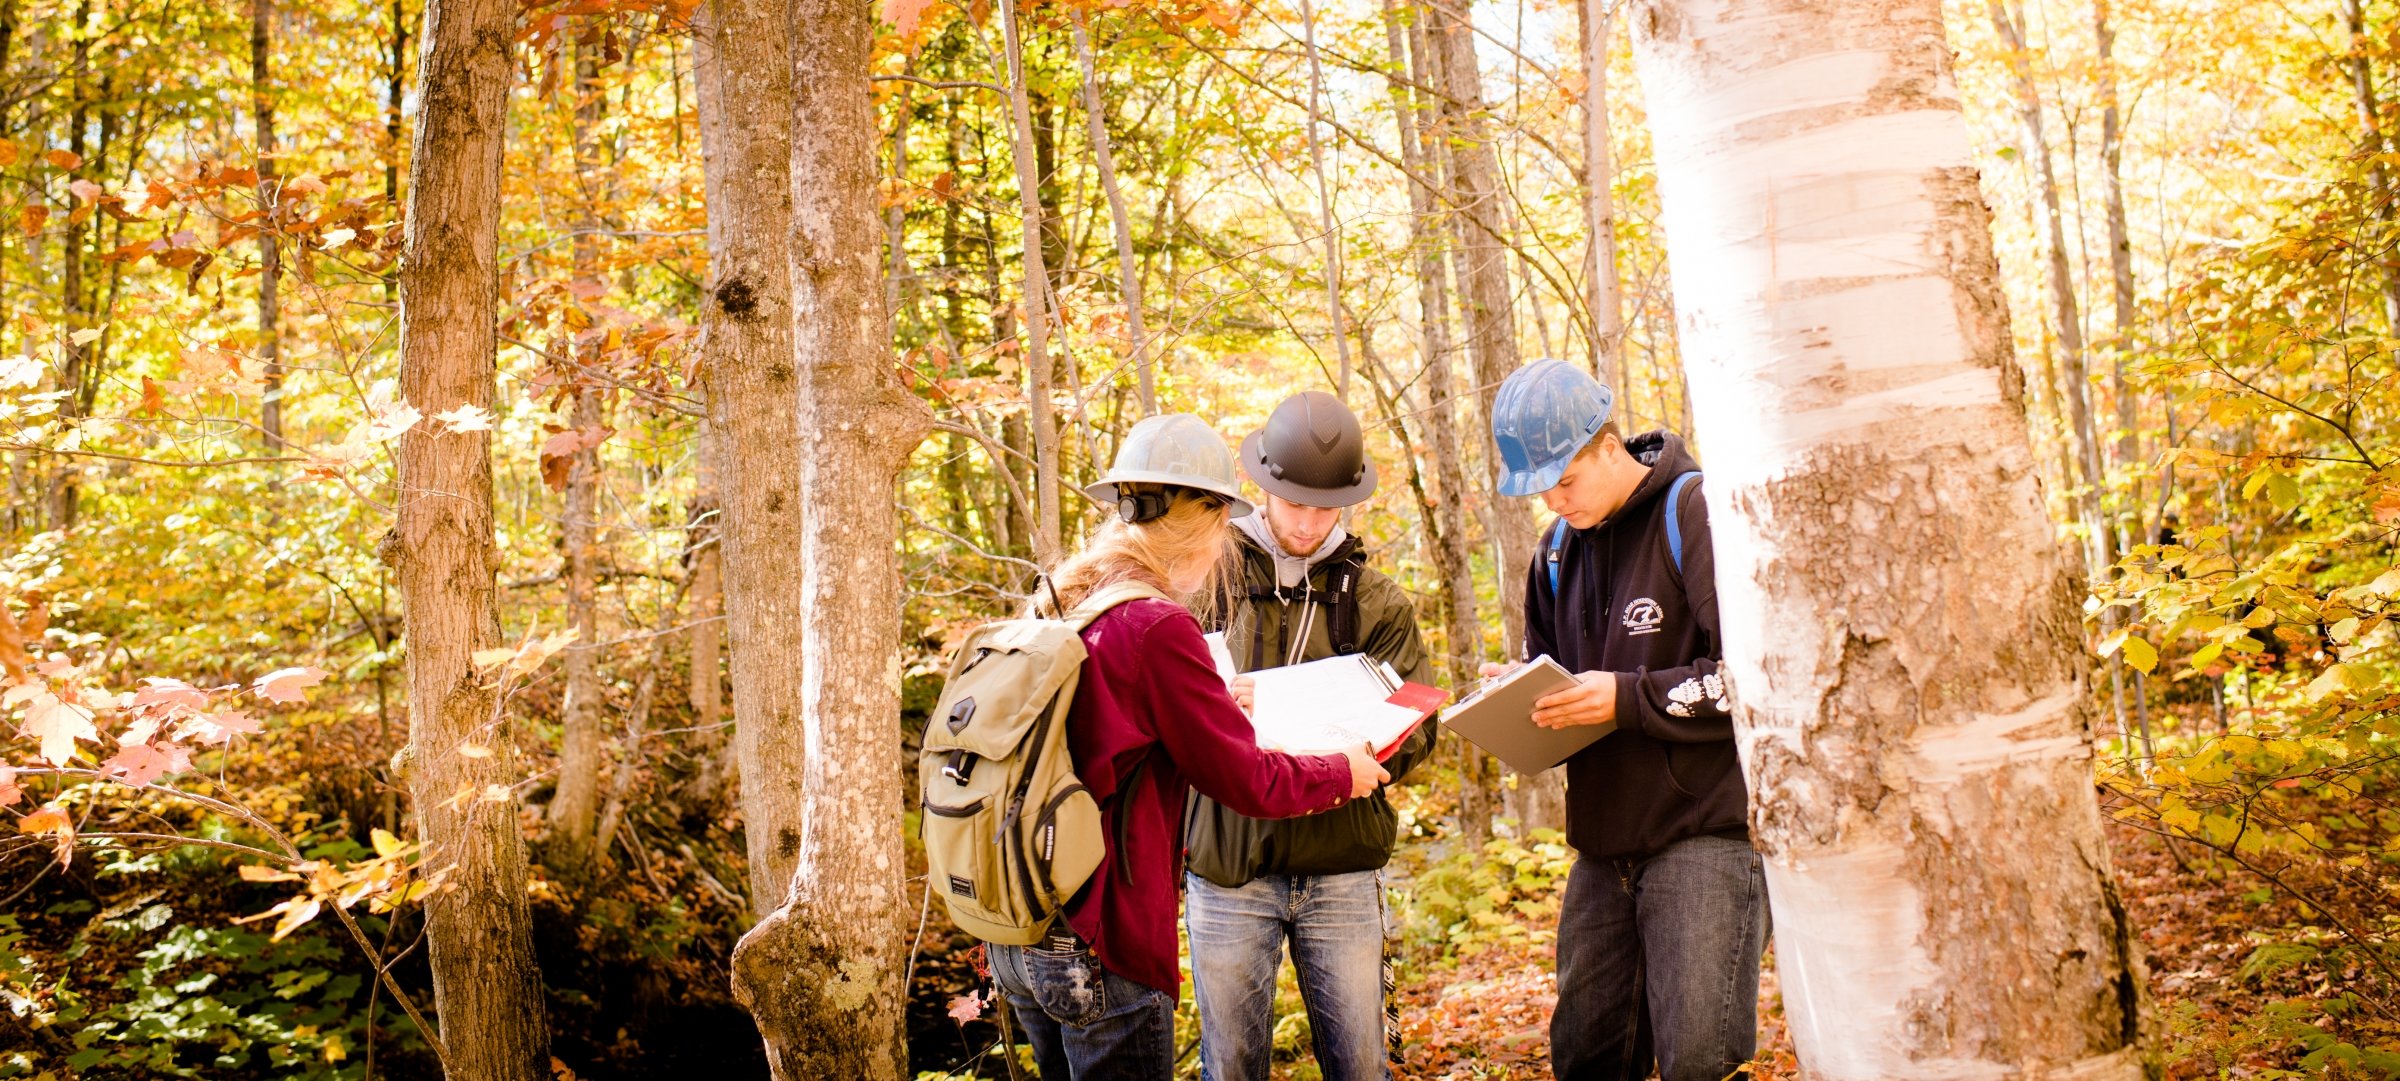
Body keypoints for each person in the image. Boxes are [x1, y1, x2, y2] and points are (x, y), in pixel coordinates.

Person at [985, 412, 1391, 1081]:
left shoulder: (1066, 597)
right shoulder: (1155, 624)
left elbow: (1103, 736)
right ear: (1208, 520)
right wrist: (1342, 772)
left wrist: (1205, 713)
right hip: (1100, 935)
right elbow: (1247, 781)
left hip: (1023, 926)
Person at [1485, 360, 1765, 1081]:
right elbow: (1556, 684)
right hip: (1602, 849)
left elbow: (1756, 681)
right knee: (1586, 1054)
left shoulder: (1694, 512)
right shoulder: (1552, 553)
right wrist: (1520, 696)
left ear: (1609, 445)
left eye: (1565, 478)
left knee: (1697, 1057)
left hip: (1703, 834)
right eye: (1539, 486)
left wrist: (1623, 697)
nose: (1553, 498)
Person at [1183, 391, 1438, 1081]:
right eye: (1294, 502)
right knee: (1231, 1068)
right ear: (1263, 487)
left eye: (1326, 506)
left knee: (1360, 1065)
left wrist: (1362, 744)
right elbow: (1166, 708)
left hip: (1344, 866)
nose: (1308, 520)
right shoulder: (1206, 584)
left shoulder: (1378, 600)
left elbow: (1417, 724)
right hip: (1230, 866)